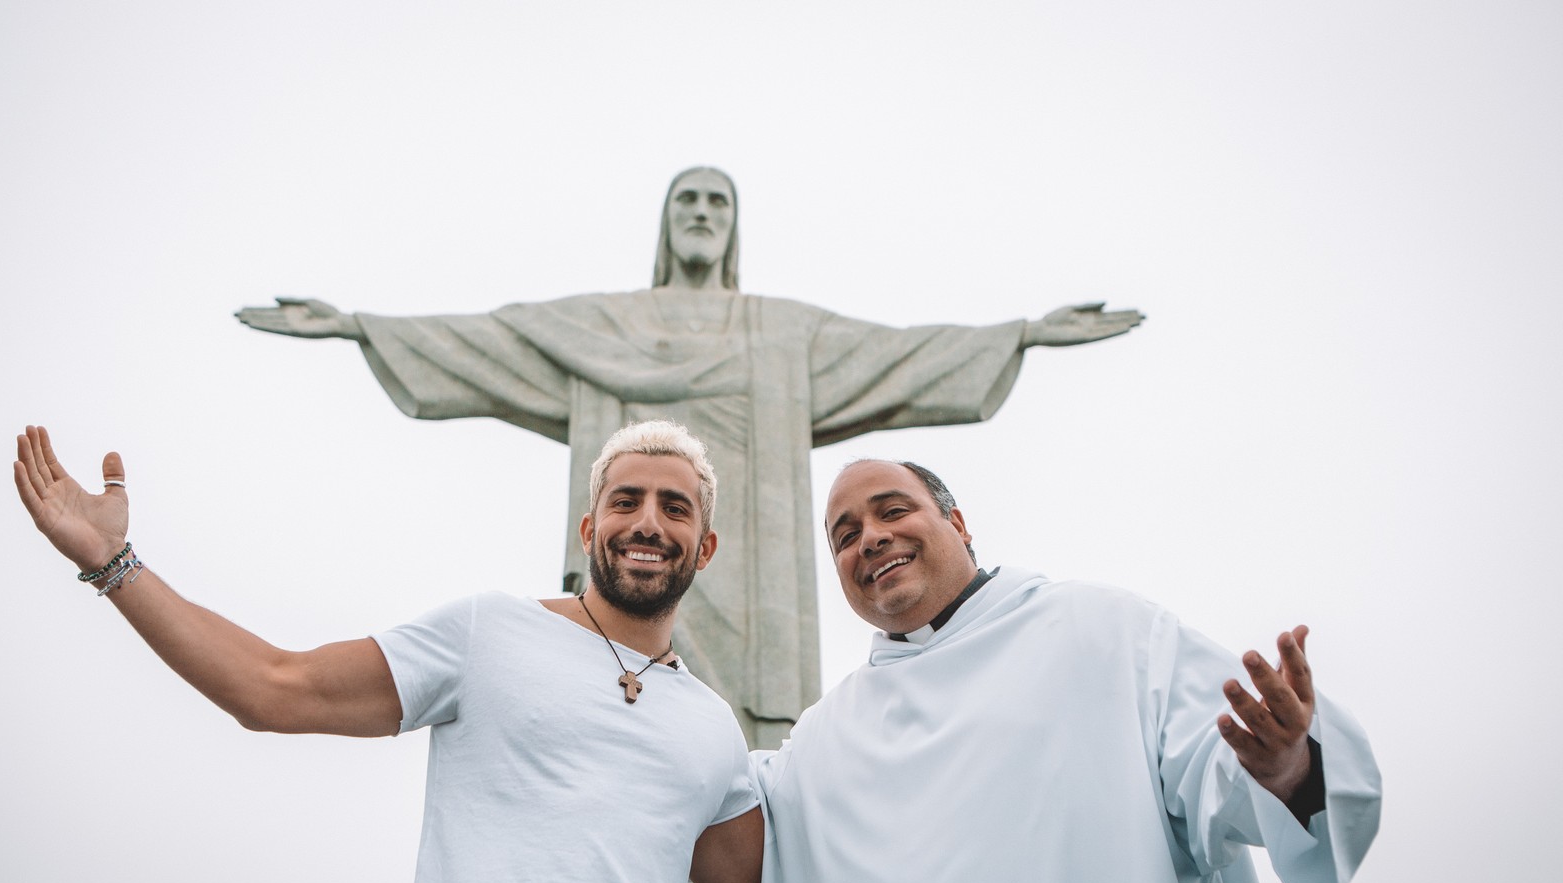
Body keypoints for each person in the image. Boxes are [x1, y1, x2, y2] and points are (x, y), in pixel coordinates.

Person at [233, 166, 1145, 748]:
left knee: (745, 760)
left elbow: (897, 351)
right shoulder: (604, 324)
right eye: (688, 202)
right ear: (667, 224)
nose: (702, 216)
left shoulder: (779, 333)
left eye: (717, 203)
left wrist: (1020, 335)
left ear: (733, 227)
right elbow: (494, 342)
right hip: (642, 567)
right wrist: (360, 326)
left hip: (755, 588)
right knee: (616, 736)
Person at [12, 420, 764, 883]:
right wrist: (114, 564)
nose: (648, 523)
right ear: (590, 528)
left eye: (675, 507)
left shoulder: (708, 728)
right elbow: (275, 686)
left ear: (704, 547)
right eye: (624, 500)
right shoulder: (489, 633)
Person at [748, 459, 1382, 883]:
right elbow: (702, 782)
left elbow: (1217, 770)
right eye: (846, 535)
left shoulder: (1103, 630)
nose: (873, 538)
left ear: (959, 524)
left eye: (893, 511)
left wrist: (1288, 768)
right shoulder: (823, 741)